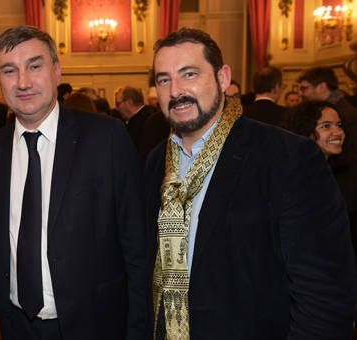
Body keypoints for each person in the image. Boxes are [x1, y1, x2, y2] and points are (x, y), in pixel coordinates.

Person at [146, 27, 357, 339]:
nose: (175, 90)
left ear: (222, 77)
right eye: (164, 79)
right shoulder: (156, 162)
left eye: (189, 74)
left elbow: (324, 295)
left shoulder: (288, 157)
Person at [0, 25, 146, 340]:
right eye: (9, 71)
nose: (23, 82)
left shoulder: (106, 137)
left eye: (34, 66)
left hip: (95, 324)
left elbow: (137, 246)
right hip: (16, 328)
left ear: (56, 70)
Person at [282, 101, 357, 262]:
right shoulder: (302, 178)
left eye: (339, 125)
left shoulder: (327, 172)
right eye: (326, 126)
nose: (337, 132)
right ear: (304, 131)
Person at [298, 66, 357, 139]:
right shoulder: (330, 109)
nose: (300, 93)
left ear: (321, 87)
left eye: (304, 88)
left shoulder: (347, 115)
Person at [116, 86, 154, 155]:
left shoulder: (145, 122)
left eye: (118, 104)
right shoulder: (148, 115)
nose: (117, 108)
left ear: (129, 102)